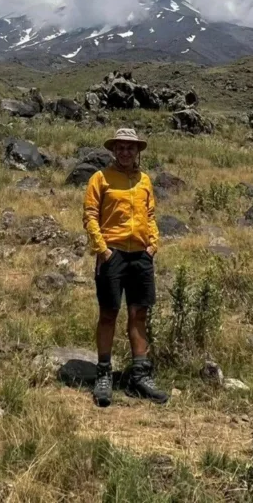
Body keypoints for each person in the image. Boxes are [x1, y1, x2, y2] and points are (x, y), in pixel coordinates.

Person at [82, 127, 168, 407]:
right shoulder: (101, 178)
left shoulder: (144, 180)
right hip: (113, 254)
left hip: (141, 255)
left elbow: (151, 214)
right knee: (108, 314)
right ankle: (104, 374)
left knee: (139, 314)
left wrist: (153, 244)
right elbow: (90, 214)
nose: (126, 151)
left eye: (131, 147)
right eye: (120, 147)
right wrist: (102, 249)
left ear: (138, 151)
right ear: (113, 150)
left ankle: (139, 375)